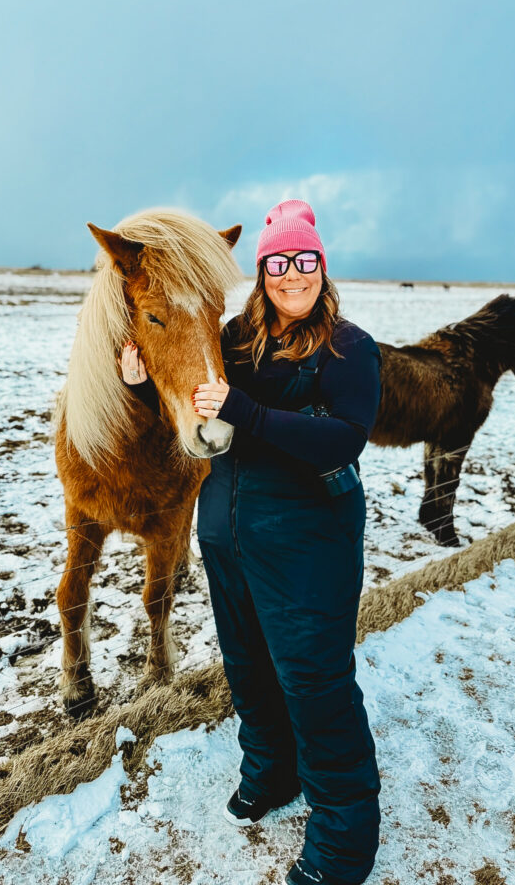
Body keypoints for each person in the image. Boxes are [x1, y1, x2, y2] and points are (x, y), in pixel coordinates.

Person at [122, 200, 382, 885]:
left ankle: (344, 840)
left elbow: (343, 439)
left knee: (315, 681)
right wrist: (142, 387)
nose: (293, 274)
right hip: (230, 532)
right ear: (263, 272)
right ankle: (271, 772)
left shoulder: (348, 348)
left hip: (309, 538)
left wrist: (248, 411)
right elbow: (199, 403)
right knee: (248, 666)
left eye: (306, 260)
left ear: (322, 267)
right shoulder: (237, 338)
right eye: (279, 263)